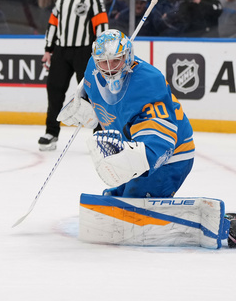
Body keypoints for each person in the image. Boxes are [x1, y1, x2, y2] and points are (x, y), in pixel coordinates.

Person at [57, 30, 195, 199]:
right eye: (103, 62)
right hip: (133, 144)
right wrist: (85, 103)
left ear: (128, 57)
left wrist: (136, 157)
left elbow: (160, 139)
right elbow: (97, 94)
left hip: (170, 155)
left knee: (134, 204)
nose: (109, 69)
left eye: (116, 60)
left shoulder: (148, 81)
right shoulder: (93, 68)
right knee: (115, 198)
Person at [39, 0, 107, 151]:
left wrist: (99, 53)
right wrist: (48, 50)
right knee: (54, 90)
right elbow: (53, 24)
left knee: (92, 92)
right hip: (61, 50)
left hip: (84, 51)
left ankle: (99, 134)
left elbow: (101, 27)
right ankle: (51, 132)